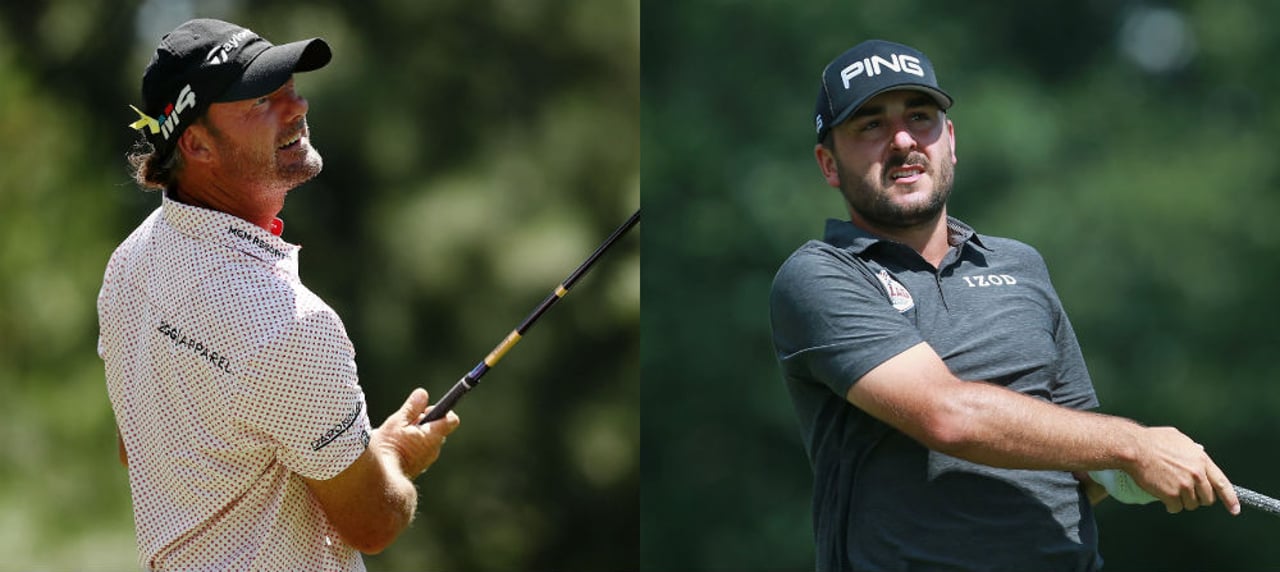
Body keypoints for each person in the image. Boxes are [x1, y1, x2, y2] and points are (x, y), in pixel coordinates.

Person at [768, 39, 1239, 571]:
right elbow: (948, 416)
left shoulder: (1020, 265)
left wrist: (1137, 470)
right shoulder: (820, 275)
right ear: (829, 164)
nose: (902, 140)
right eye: (870, 125)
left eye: (920, 117)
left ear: (949, 139)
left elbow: (1084, 458)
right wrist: (1134, 445)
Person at [97, 18, 460, 571]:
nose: (297, 105)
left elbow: (138, 449)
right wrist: (391, 460)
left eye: (288, 85)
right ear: (195, 143)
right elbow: (373, 522)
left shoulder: (131, 261)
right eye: (261, 99)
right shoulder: (290, 324)